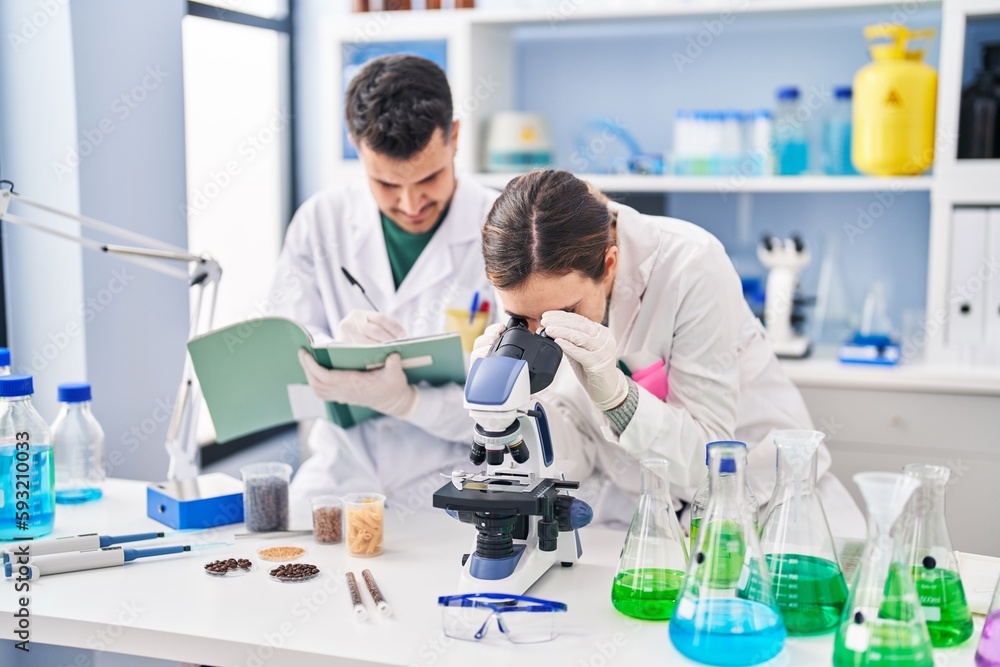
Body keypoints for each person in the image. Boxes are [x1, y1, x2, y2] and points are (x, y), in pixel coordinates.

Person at [473, 169, 864, 537]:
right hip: (644, 519)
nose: (543, 333)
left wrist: (619, 400)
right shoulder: (528, 276)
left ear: (609, 264)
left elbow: (713, 458)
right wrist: (510, 413)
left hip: (763, 508)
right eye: (521, 318)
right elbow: (577, 453)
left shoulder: (691, 264)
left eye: (565, 313)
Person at [270, 55, 498, 512]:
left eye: (429, 178)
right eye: (387, 184)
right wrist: (334, 350)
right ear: (357, 147)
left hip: (458, 477)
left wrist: (410, 402)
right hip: (340, 471)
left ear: (454, 137)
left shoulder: (504, 230)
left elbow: (524, 404)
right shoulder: (320, 222)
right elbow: (286, 349)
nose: (411, 204)